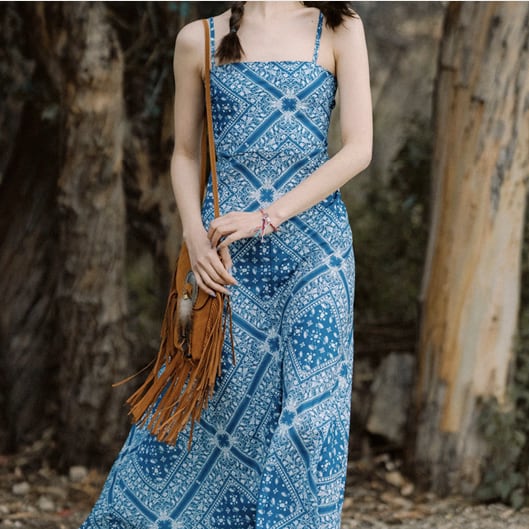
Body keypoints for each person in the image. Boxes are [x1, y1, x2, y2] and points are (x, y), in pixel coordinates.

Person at [80, 1, 372, 528]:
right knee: (213, 412)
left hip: (316, 250)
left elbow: (358, 149)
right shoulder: (198, 38)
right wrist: (194, 236)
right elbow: (185, 154)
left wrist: (269, 215)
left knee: (312, 415)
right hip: (226, 256)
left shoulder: (339, 26)